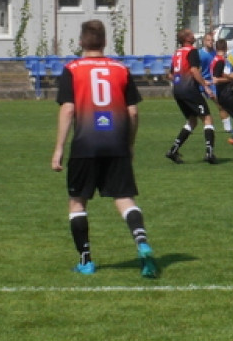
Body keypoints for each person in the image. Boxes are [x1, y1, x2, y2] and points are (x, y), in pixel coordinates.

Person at [51, 19, 158, 278]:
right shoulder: (121, 69)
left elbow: (68, 109)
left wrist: (59, 148)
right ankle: (142, 243)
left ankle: (86, 261)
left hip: (85, 144)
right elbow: (133, 113)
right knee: (124, 199)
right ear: (105, 42)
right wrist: (129, 144)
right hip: (116, 143)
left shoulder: (72, 69)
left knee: (77, 202)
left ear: (81, 41)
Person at [165, 28, 220, 164]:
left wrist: (181, 80)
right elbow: (194, 70)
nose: (193, 35)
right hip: (189, 90)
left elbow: (170, 75)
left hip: (178, 90)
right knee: (207, 119)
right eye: (191, 34)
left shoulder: (177, 53)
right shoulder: (192, 51)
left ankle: (173, 151)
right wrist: (205, 86)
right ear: (187, 38)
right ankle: (209, 153)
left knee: (192, 121)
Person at [201, 31, 233, 135]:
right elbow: (196, 70)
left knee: (220, 105)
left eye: (212, 40)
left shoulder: (217, 54)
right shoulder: (199, 54)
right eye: (208, 40)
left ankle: (228, 128)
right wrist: (203, 83)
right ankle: (190, 125)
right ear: (203, 41)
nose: (210, 42)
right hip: (201, 83)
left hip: (212, 83)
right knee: (196, 107)